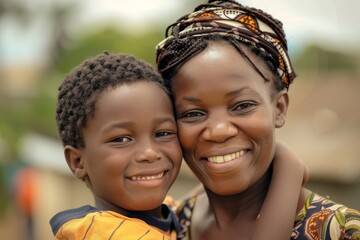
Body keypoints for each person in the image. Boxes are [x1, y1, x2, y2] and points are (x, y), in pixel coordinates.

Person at [156, 0, 360, 239]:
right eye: (193, 113)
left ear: (279, 108)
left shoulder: (341, 231)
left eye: (242, 106)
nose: (219, 130)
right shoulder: (168, 226)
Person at [50, 51, 182, 239]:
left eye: (163, 133)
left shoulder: (171, 215)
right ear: (78, 162)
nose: (150, 153)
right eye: (121, 139)